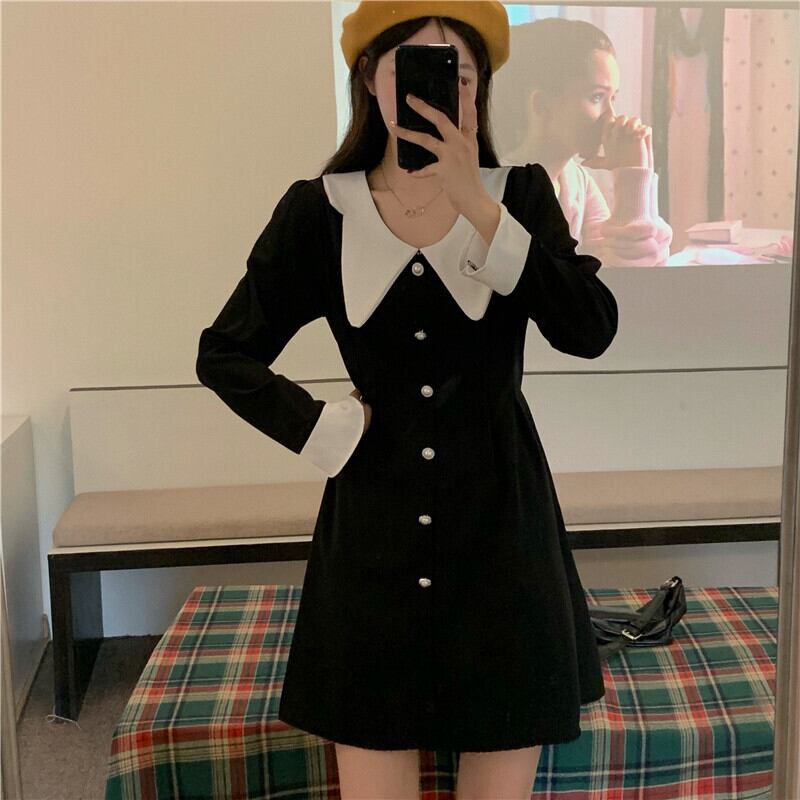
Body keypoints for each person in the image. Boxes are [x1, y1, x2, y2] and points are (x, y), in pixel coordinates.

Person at [195, 2, 618, 798]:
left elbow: (590, 329)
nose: (439, 89)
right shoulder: (319, 213)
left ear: (481, 89)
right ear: (368, 77)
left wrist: (479, 206)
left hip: (504, 542)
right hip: (372, 547)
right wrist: (320, 429)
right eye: (413, 68)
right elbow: (224, 352)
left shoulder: (520, 196)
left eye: (461, 74)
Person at [503, 17, 673, 267]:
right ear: (541, 105)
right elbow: (623, 277)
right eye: (596, 97)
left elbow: (644, 264)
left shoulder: (576, 180)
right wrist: (631, 178)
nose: (611, 117)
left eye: (613, 98)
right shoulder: (507, 187)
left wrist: (641, 171)